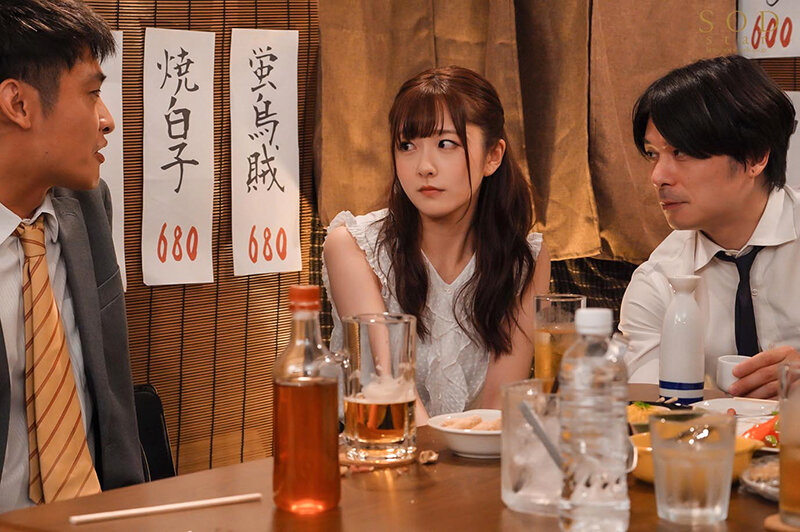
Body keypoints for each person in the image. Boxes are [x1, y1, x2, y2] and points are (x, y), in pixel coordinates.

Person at [323, 66, 551, 422]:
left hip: (477, 450)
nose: (424, 167)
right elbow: (391, 388)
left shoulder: (524, 260)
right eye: (407, 146)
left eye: (446, 144)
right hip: (376, 447)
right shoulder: (353, 245)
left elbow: (497, 406)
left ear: (492, 156)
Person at [0, 0, 144, 511]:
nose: (107, 121)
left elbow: (112, 397)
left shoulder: (87, 206)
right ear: (19, 104)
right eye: (92, 93)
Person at [619, 55, 799, 399]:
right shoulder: (659, 279)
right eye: (653, 154)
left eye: (680, 152)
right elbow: (650, 406)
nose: (658, 176)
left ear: (754, 157)